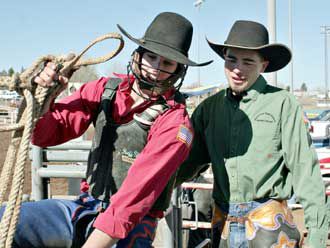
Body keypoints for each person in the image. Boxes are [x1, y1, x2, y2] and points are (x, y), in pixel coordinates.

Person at [0, 12, 211, 247]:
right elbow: (46, 134)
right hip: (86, 207)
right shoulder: (104, 90)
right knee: (5, 221)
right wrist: (46, 98)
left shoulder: (175, 125)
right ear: (139, 55)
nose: (156, 68)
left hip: (133, 223)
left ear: (179, 69)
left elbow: (133, 198)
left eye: (167, 63)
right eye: (151, 57)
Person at [175, 20, 329, 248]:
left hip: (270, 229)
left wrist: (317, 235)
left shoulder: (282, 104)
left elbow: (305, 171)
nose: (237, 69)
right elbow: (186, 164)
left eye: (248, 61)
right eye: (231, 59)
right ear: (224, 58)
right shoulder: (209, 109)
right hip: (223, 225)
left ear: (263, 65)